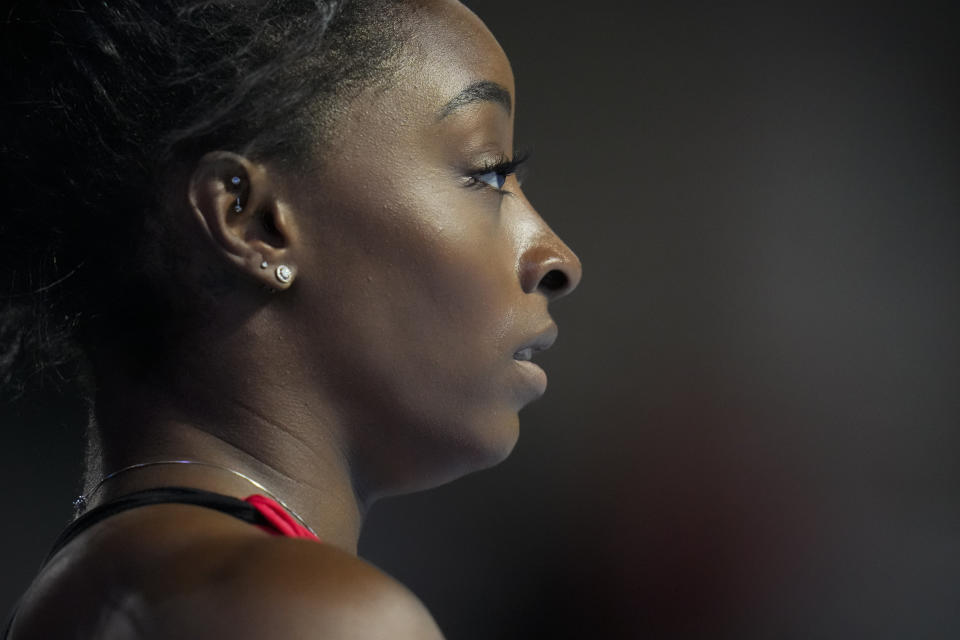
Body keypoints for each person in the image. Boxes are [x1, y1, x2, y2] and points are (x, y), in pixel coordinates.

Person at [1, 0, 581, 637]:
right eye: (488, 173)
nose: (558, 260)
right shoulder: (303, 613)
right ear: (255, 222)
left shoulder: (101, 585)